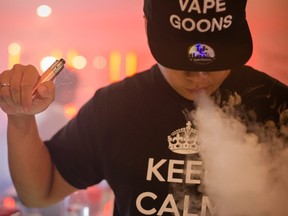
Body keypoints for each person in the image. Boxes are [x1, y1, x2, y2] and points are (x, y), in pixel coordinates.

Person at [0, 0, 288, 215]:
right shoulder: (117, 107)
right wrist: (20, 117)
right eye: (182, 62)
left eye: (214, 61)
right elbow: (39, 192)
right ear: (150, 30)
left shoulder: (276, 105)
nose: (199, 77)